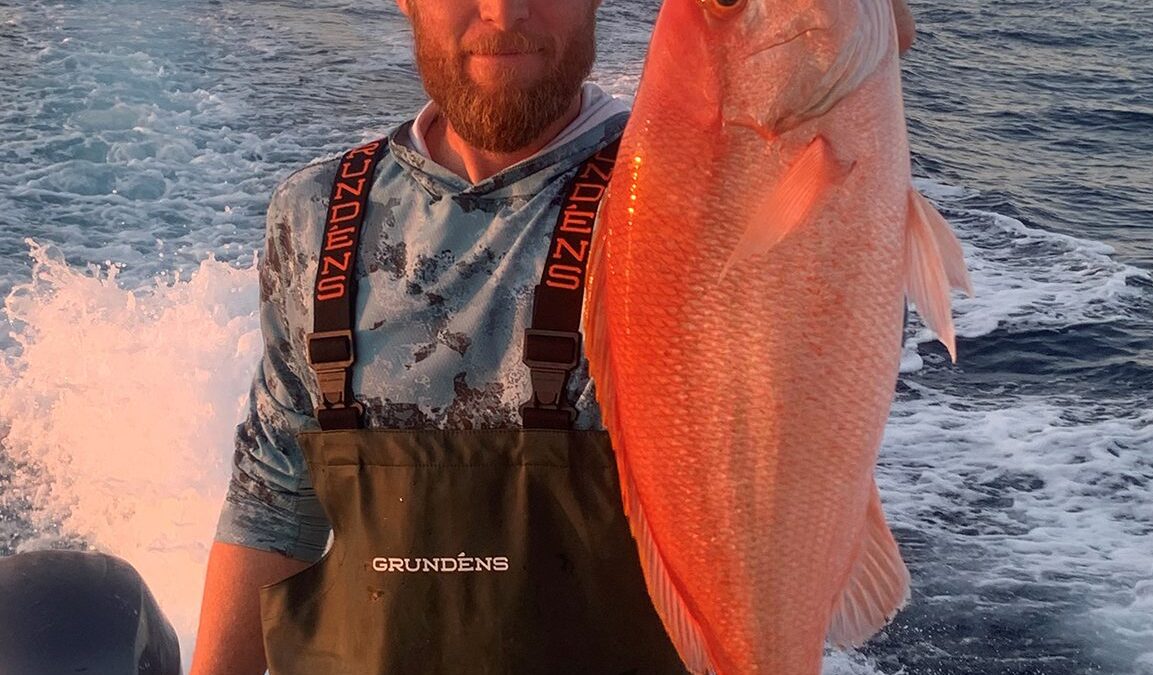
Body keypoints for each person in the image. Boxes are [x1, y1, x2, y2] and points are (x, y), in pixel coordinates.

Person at [189, 1, 917, 673]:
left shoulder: (673, 196)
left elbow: (808, 274)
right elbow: (270, 507)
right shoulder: (318, 218)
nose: (505, 12)